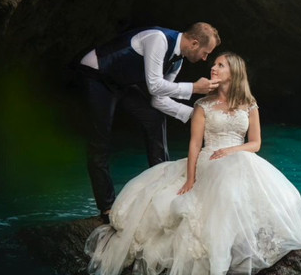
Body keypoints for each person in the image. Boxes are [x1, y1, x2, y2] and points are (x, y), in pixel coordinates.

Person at [85, 52, 301, 275]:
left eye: (220, 65)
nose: (213, 68)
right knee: (227, 180)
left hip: (239, 155)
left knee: (277, 186)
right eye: (214, 64)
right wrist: (191, 178)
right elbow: (194, 144)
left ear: (234, 73)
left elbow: (255, 143)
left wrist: (234, 150)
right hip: (209, 158)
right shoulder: (203, 105)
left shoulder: (249, 103)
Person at [78, 23, 221, 222]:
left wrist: (195, 115)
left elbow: (158, 99)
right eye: (206, 53)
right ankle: (107, 207)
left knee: (154, 117)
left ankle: (162, 186)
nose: (205, 58)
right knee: (100, 142)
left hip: (122, 83)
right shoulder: (158, 39)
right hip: (98, 74)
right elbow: (154, 86)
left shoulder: (177, 62)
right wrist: (194, 88)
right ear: (195, 43)